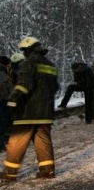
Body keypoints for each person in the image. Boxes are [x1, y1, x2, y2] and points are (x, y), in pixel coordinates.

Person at [1, 36, 59, 181]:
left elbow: (24, 85)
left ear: (29, 50)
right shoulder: (51, 65)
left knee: (16, 141)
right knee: (42, 140)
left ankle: (9, 172)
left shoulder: (28, 63)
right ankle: (47, 171)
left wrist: (13, 99)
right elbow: (55, 87)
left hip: (28, 111)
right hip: (45, 112)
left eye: (24, 50)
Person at [0, 56, 14, 151]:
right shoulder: (2, 72)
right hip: (3, 101)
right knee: (3, 121)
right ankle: (1, 144)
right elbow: (4, 86)